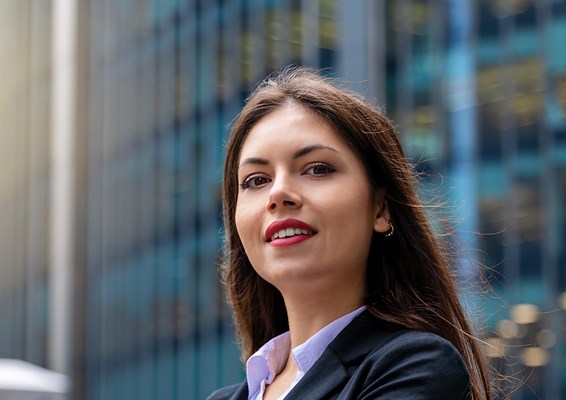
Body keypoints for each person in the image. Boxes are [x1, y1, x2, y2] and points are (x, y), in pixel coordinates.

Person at [208, 66, 491, 400]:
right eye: (256, 180)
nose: (278, 193)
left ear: (380, 209)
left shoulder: (414, 367)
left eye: (318, 169)